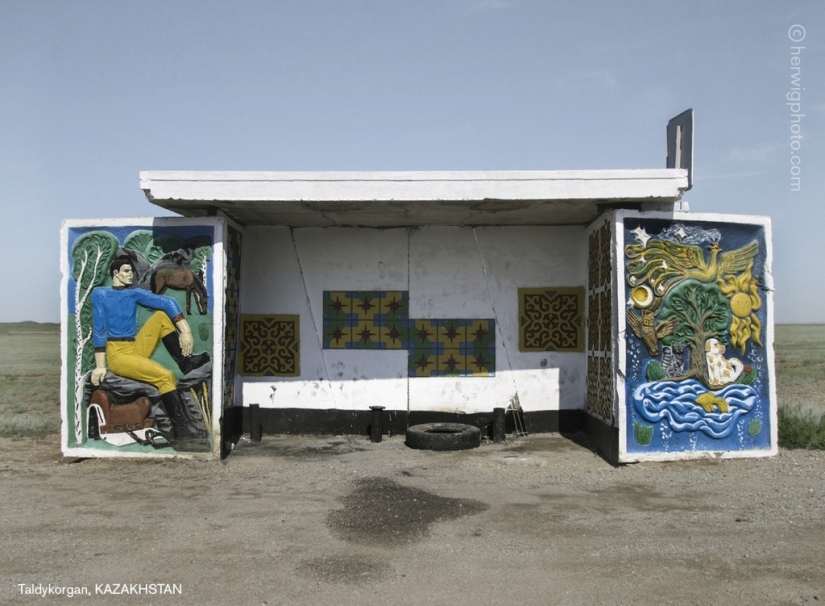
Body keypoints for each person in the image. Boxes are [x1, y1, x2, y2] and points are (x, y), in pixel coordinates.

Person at [91, 255, 210, 448]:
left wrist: (185, 331)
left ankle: (185, 362)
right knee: (165, 377)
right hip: (118, 354)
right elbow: (99, 330)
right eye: (127, 271)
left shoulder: (133, 294)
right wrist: (99, 367)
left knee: (161, 317)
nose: (131, 275)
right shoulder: (100, 294)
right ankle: (182, 429)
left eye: (132, 271)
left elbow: (167, 302)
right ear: (115, 273)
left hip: (135, 347)